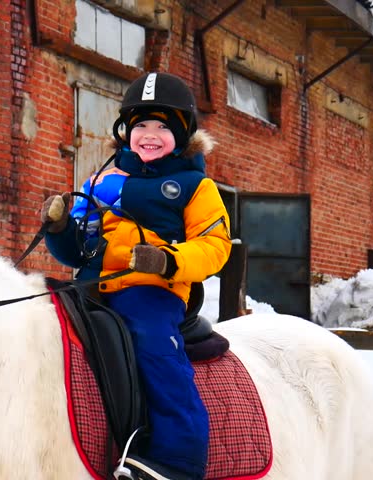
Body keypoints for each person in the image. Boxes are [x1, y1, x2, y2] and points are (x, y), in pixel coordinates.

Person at [40, 72, 231, 480]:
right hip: (91, 285)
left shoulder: (196, 187)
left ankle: (178, 457)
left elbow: (215, 247)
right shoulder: (101, 181)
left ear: (182, 135)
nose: (149, 134)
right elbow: (81, 246)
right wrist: (60, 231)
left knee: (151, 343)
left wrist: (166, 261)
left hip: (152, 292)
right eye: (140, 125)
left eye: (162, 126)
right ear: (126, 131)